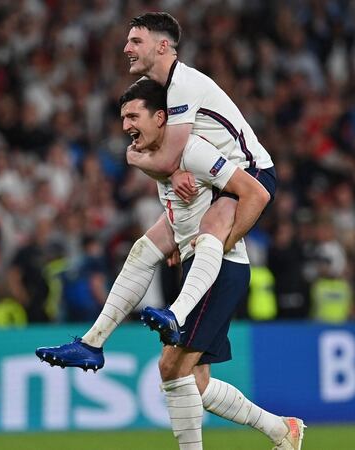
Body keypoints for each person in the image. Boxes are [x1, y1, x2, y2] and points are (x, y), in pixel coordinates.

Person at [38, 79, 304, 450]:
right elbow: (153, 170)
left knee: (170, 369)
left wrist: (217, 240)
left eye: (134, 115)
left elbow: (255, 193)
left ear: (161, 116)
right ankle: (281, 429)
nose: (126, 125)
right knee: (195, 381)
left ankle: (116, 336)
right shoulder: (153, 155)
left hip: (218, 269)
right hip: (196, 266)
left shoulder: (194, 149)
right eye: (122, 118)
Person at [97, 11, 278, 346]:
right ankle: (92, 342)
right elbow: (173, 159)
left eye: (136, 41)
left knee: (210, 234)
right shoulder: (166, 89)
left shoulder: (183, 84)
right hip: (213, 176)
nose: (126, 48)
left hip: (248, 171)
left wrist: (134, 157)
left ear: (163, 46)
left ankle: (176, 311)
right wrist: (174, 168)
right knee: (144, 249)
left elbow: (166, 157)